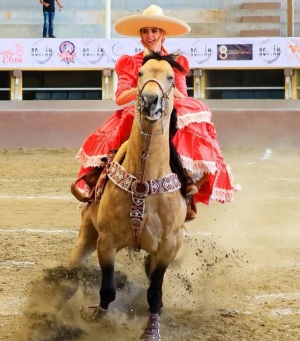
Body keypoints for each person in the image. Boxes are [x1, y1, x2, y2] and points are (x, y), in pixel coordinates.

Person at [72, 5, 240, 221]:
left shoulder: (177, 62)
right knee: (132, 117)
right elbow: (120, 97)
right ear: (140, 35)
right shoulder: (129, 61)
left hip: (166, 110)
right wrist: (144, 87)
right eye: (145, 31)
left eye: (154, 31)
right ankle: (101, 172)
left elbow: (182, 95)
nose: (149, 36)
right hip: (138, 110)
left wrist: (166, 91)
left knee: (189, 112)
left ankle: (186, 178)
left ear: (163, 33)